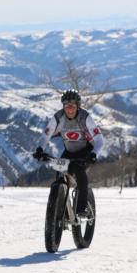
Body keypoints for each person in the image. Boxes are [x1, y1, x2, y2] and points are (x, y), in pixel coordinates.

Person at [33, 89, 104, 219]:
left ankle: (81, 207)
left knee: (79, 171)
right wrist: (39, 149)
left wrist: (94, 154)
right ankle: (62, 208)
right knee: (60, 174)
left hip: (85, 151)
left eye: (72, 106)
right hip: (69, 152)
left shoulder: (85, 117)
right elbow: (45, 136)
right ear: (63, 106)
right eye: (67, 106)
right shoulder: (58, 117)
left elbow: (100, 140)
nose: (69, 109)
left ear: (78, 106)